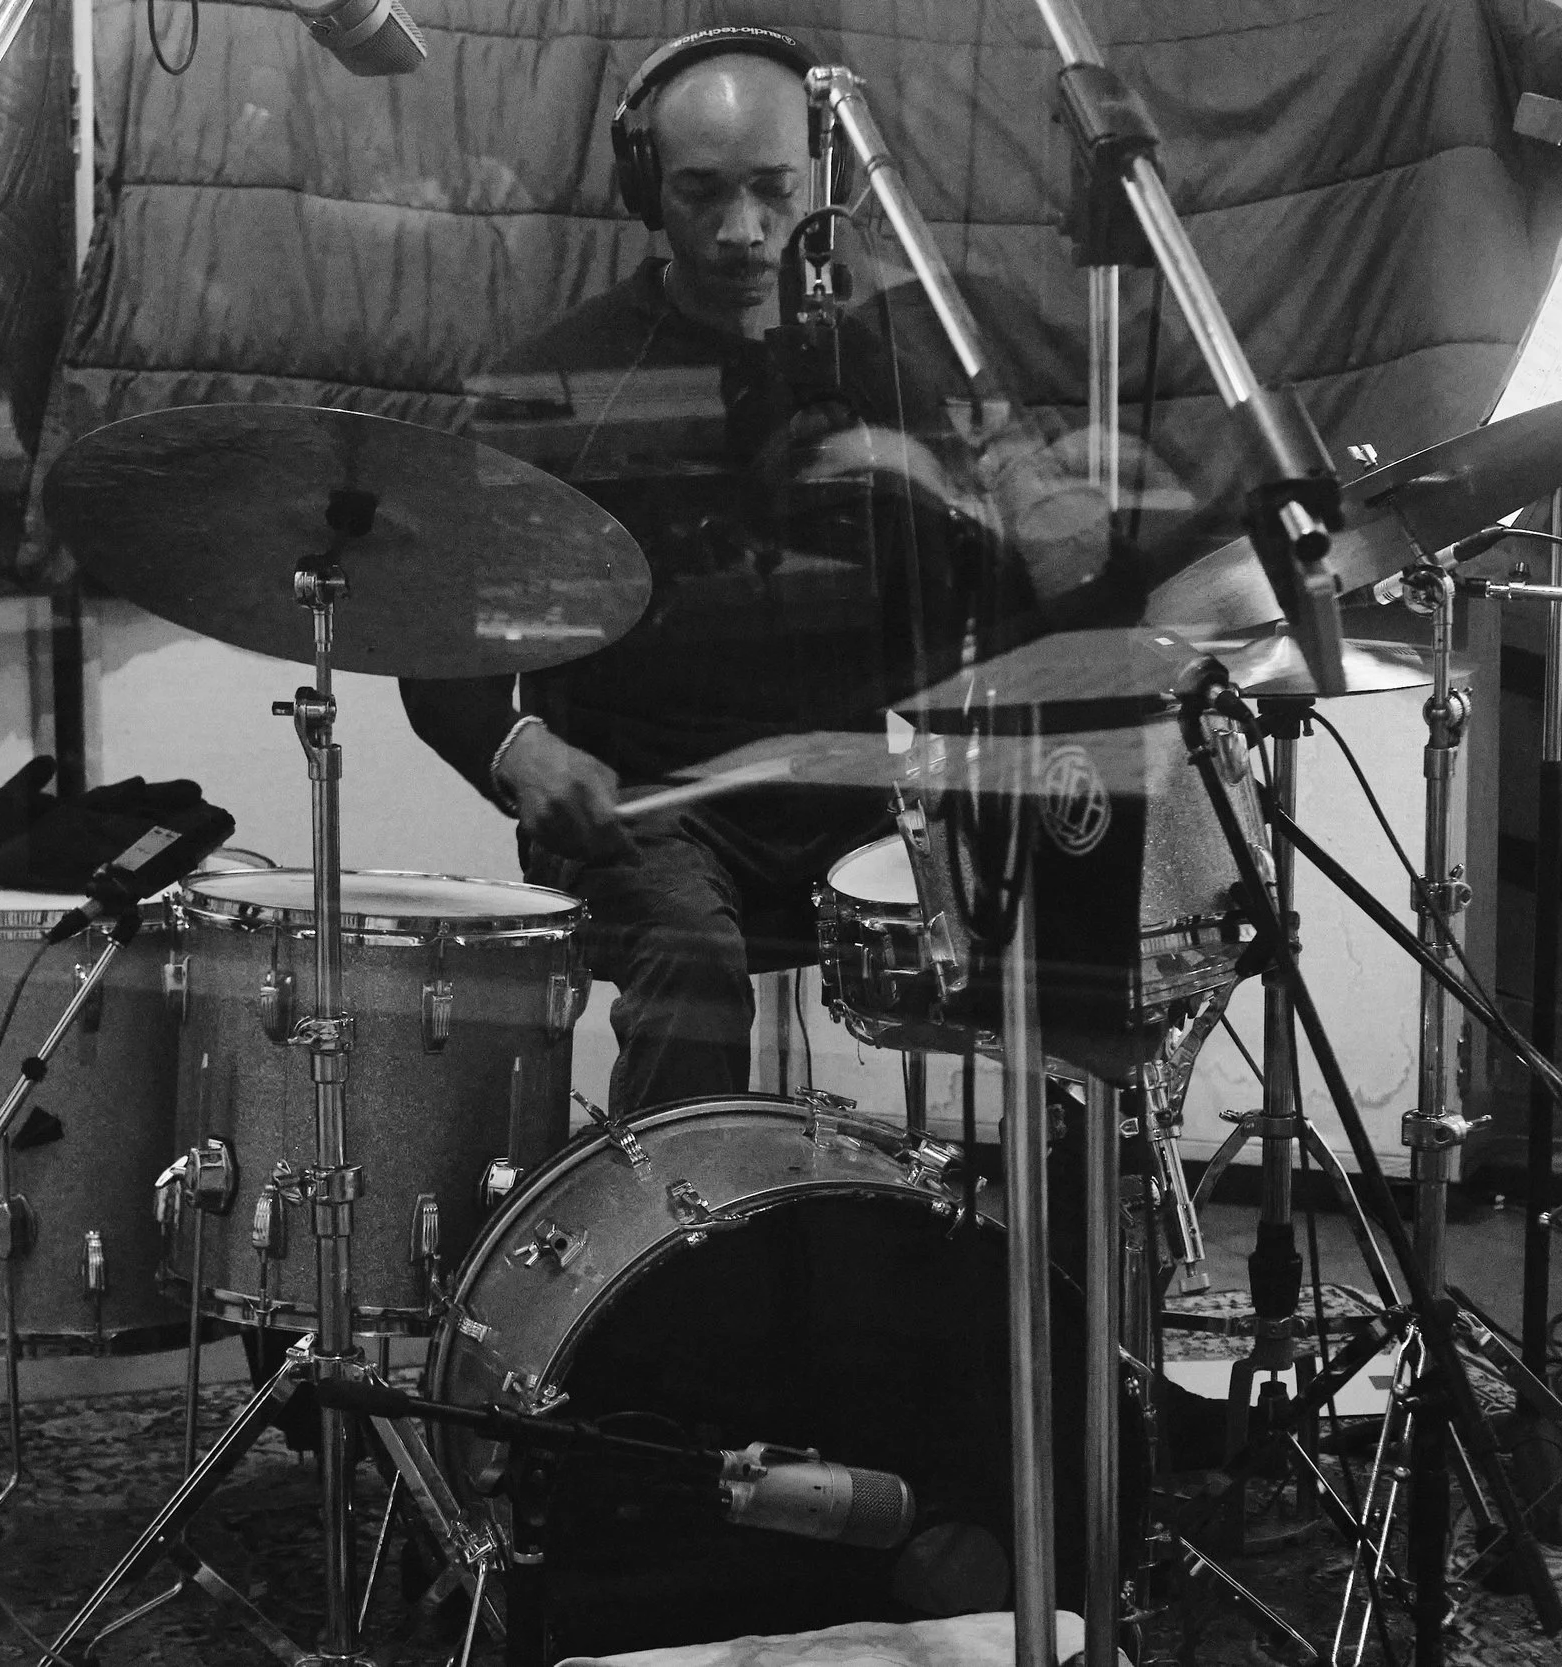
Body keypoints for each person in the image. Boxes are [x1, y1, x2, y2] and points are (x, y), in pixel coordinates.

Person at [402, 27, 1124, 1126]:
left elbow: (998, 606)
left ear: (823, 179)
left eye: (772, 190)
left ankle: (1053, 1256)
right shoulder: (559, 382)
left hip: (855, 789)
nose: (742, 230)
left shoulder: (896, 367)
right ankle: (672, 1259)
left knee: (1067, 887)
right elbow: (429, 636)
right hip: (647, 808)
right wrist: (519, 749)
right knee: (695, 954)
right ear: (644, 186)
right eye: (701, 193)